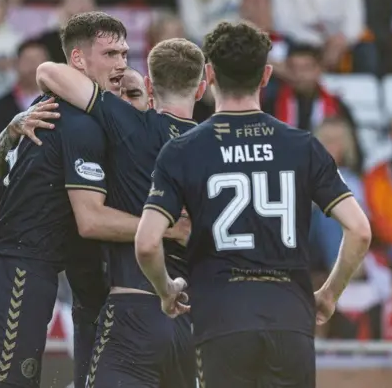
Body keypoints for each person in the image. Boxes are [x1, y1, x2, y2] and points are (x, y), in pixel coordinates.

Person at [134, 21, 372, 388]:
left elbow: (147, 243)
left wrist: (167, 291)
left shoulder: (182, 151)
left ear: (209, 74)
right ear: (266, 75)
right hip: (289, 318)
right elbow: (359, 230)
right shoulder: (302, 145)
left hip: (222, 319)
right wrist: (328, 294)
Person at [0, 12, 185, 388]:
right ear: (79, 60)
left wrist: (11, 128)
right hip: (20, 273)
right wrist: (167, 226)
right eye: (111, 54)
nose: (120, 63)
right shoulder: (82, 124)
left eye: (124, 53)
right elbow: (91, 221)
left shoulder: (46, 104)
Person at [35, 37, 205, 387]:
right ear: (202, 88)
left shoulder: (132, 127)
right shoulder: (216, 147)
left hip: (135, 310)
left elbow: (49, 72)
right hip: (196, 322)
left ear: (149, 87)